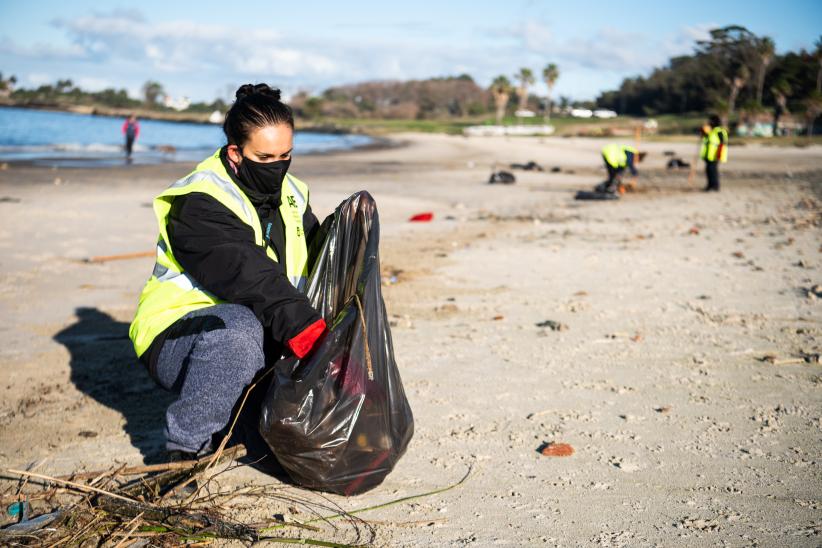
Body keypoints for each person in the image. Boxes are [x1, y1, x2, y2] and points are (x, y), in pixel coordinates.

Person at [128, 84, 327, 461]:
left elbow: (314, 258)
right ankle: (184, 449)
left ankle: (238, 422)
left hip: (260, 328)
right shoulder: (199, 202)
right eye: (265, 156)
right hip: (181, 335)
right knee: (238, 330)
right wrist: (311, 334)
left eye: (286, 155)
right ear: (236, 153)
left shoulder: (293, 193)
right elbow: (250, 276)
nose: (278, 166)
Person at [700, 114, 728, 192]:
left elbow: (722, 143)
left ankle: (715, 186)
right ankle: (710, 186)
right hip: (708, 154)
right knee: (708, 170)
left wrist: (719, 154)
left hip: (714, 155)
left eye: (710, 121)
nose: (709, 122)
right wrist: (702, 130)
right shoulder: (712, 130)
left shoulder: (719, 130)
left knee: (712, 171)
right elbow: (706, 136)